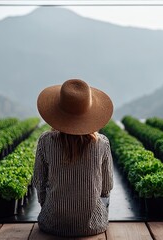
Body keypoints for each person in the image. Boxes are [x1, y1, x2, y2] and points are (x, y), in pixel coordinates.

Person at [33, 79, 114, 237]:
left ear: (57, 111)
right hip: (93, 225)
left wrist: (49, 209)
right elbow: (107, 187)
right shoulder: (102, 143)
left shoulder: (45, 141)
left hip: (52, 224)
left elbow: (39, 182)